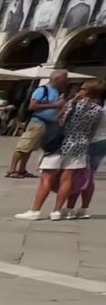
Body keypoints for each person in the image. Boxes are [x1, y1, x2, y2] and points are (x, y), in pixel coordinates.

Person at [19, 79, 103, 221]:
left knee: (47, 177)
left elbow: (58, 119)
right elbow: (92, 131)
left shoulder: (72, 104)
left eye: (82, 88)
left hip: (60, 143)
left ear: (88, 91)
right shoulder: (98, 110)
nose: (79, 91)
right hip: (80, 145)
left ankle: (35, 210)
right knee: (67, 179)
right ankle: (57, 211)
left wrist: (70, 102)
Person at [8, 70, 66, 178]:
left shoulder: (56, 91)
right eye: (64, 79)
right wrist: (54, 105)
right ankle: (12, 170)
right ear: (57, 79)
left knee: (30, 148)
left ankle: (22, 169)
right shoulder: (42, 90)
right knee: (23, 146)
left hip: (46, 123)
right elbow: (32, 106)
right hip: (37, 122)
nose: (65, 81)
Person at [60, 82, 106, 219]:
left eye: (82, 89)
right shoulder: (99, 106)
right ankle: (84, 208)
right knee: (89, 176)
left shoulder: (89, 106)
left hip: (90, 141)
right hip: (102, 142)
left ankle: (70, 208)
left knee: (78, 175)